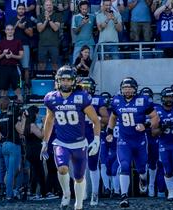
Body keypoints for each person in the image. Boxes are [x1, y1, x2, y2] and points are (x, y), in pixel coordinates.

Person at [41, 66, 101, 210]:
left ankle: (78, 203)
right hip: (61, 142)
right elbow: (49, 121)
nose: (66, 82)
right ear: (58, 81)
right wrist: (45, 141)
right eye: (63, 79)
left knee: (79, 177)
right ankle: (66, 193)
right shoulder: (51, 98)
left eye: (68, 79)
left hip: (80, 142)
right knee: (62, 168)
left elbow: (95, 120)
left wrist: (97, 140)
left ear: (74, 81)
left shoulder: (81, 97)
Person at [105, 77, 159, 208]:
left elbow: (155, 118)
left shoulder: (143, 100)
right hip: (124, 140)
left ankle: (143, 179)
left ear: (135, 89)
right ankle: (124, 196)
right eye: (125, 88)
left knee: (141, 168)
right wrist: (109, 132)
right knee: (124, 165)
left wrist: (145, 125)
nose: (127, 90)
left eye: (130, 88)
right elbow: (113, 117)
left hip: (140, 141)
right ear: (121, 89)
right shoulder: (117, 100)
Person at [78, 77, 110, 205]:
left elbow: (106, 119)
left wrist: (95, 118)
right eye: (83, 86)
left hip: (92, 135)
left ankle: (95, 193)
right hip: (78, 136)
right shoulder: (75, 98)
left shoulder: (97, 100)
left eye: (87, 86)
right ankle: (82, 192)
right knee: (79, 165)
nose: (85, 89)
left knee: (92, 165)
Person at [17, 106, 47, 199]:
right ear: (34, 114)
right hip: (35, 150)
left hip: (30, 151)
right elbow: (41, 135)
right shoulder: (32, 125)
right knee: (40, 172)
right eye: (37, 113)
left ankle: (32, 191)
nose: (38, 115)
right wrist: (44, 124)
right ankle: (43, 193)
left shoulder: (25, 125)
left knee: (34, 172)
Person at [138, 87, 161, 197]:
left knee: (153, 161)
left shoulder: (157, 107)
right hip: (140, 136)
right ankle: (144, 181)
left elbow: (160, 122)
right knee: (142, 161)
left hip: (153, 137)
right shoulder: (137, 105)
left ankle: (151, 185)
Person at [8, 3, 34, 86]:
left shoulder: (28, 20)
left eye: (23, 9)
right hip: (13, 45)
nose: (21, 10)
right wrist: (16, 25)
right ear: (17, 10)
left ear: (24, 10)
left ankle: (26, 85)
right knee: (12, 66)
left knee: (26, 67)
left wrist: (23, 28)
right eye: (19, 9)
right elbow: (8, 33)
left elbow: (31, 34)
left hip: (24, 45)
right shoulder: (12, 20)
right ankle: (14, 85)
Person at [0, 24, 24, 102]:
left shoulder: (18, 42)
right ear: (5, 31)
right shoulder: (1, 43)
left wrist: (12, 56)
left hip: (14, 67)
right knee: (3, 91)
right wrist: (3, 54)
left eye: (11, 29)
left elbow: (21, 56)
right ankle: (2, 108)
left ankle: (20, 106)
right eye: (8, 29)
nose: (10, 31)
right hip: (3, 68)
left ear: (14, 31)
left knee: (17, 90)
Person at [36, 0, 61, 71]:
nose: (49, 6)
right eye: (47, 5)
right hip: (42, 44)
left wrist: (49, 19)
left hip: (54, 44)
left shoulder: (57, 15)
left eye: (50, 5)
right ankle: (41, 80)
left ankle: (56, 80)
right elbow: (39, 29)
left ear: (52, 6)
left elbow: (56, 28)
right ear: (44, 7)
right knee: (41, 64)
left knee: (55, 64)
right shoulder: (40, 16)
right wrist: (45, 20)